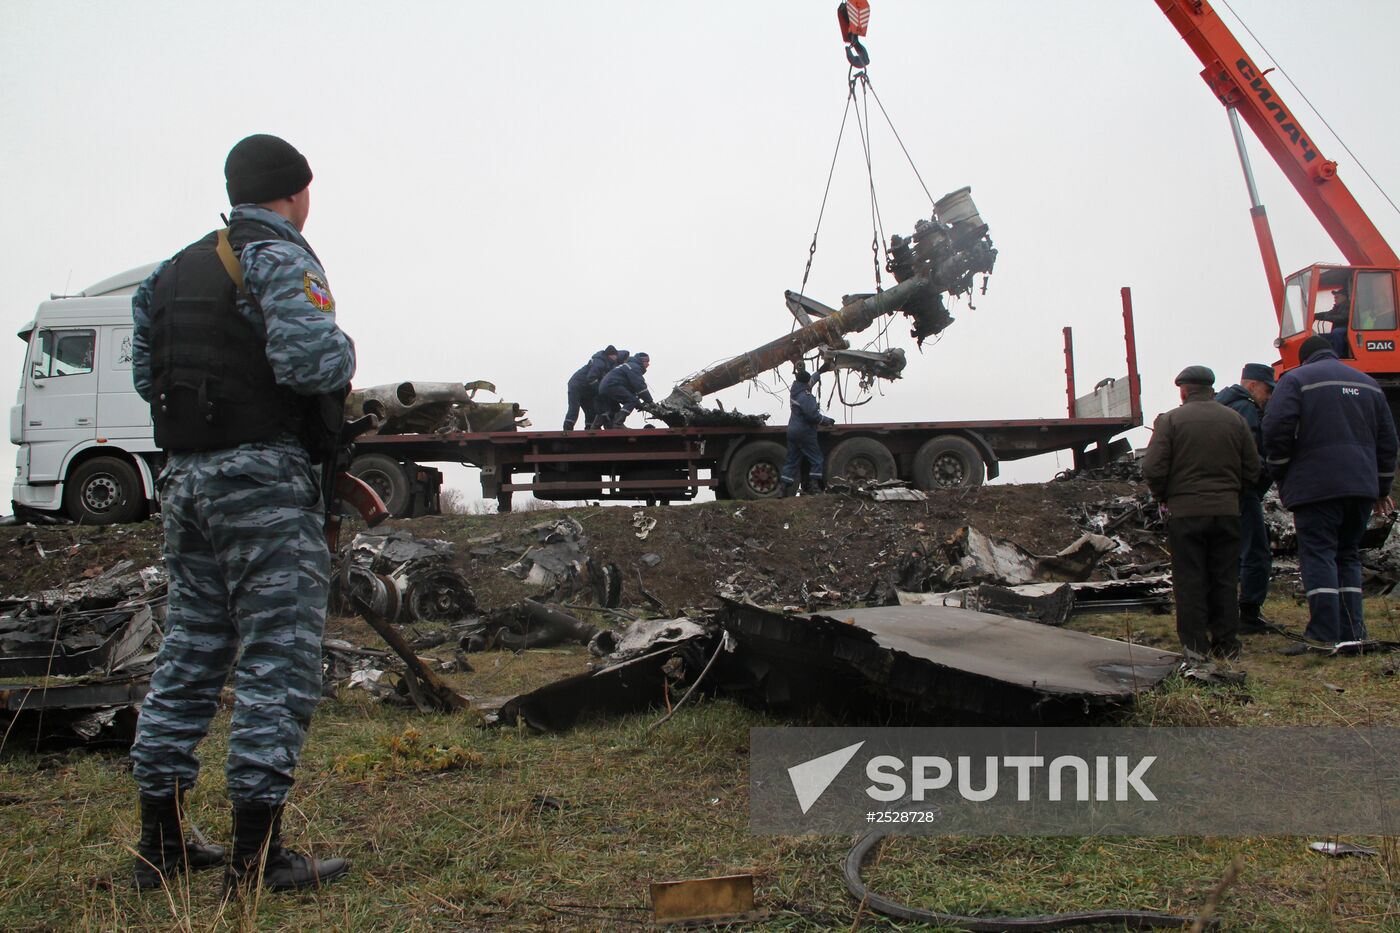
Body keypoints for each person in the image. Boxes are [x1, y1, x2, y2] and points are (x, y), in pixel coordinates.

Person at [128, 134, 353, 895]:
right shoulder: (278, 254)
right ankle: (258, 859)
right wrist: (345, 345)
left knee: (190, 648)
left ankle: (159, 841)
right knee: (276, 657)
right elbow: (312, 364)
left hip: (185, 484)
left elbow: (142, 375)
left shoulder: (167, 273)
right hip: (262, 479)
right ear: (295, 192)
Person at [1262, 335, 1397, 648]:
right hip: (1361, 487)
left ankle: (1323, 633)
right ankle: (1353, 631)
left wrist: (1279, 469)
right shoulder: (1368, 384)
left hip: (1316, 487)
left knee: (1319, 552)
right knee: (1348, 555)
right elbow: (1388, 442)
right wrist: (1381, 486)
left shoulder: (1296, 380)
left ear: (1305, 358)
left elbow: (1276, 427)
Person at [1143, 365, 1260, 661]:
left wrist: (1165, 497)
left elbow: (1153, 468)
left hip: (1186, 514)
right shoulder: (1235, 420)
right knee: (1224, 576)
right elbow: (1253, 468)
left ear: (1183, 390)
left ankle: (1195, 646)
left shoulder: (1170, 421)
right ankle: (1227, 644)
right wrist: (1233, 494)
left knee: (1189, 578)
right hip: (1227, 512)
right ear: (1211, 388)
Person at [1215, 363, 1275, 632]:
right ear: (1252, 385)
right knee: (1256, 552)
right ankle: (1249, 614)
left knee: (1227, 553)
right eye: (1267, 390)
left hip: (1219, 493)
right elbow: (1250, 453)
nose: (1269, 397)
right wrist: (1259, 480)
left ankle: (1222, 611)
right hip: (1241, 491)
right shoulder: (1246, 407)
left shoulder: (1218, 405)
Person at [781, 370, 834, 495]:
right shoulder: (806, 396)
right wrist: (827, 421)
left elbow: (810, 382)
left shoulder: (795, 391)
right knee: (817, 459)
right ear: (806, 382)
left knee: (792, 461)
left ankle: (782, 488)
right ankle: (814, 486)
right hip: (805, 432)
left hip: (792, 431)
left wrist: (821, 370)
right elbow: (813, 416)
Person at [563, 345, 618, 431]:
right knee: (574, 408)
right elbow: (591, 378)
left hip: (587, 388)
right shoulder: (600, 362)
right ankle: (567, 429)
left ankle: (589, 428)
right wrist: (600, 391)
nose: (616, 358)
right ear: (611, 355)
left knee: (590, 410)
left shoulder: (606, 363)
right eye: (615, 355)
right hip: (577, 385)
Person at [594, 351, 654, 428]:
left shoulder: (628, 366)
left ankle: (595, 426)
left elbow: (631, 391)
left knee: (614, 409)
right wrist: (650, 401)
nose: (648, 365)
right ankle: (618, 424)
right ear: (642, 361)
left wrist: (639, 405)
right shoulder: (634, 367)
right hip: (612, 385)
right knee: (631, 401)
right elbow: (640, 387)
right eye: (647, 362)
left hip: (605, 387)